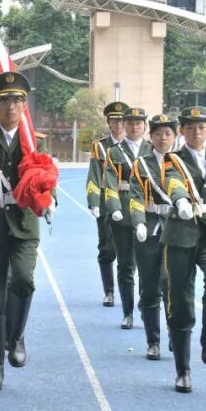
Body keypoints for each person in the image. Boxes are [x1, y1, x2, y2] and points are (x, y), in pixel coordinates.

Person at [0, 72, 53, 392]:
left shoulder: (35, 140)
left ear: (24, 105)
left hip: (23, 222)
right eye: (4, 101)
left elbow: (43, 173)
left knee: (23, 279)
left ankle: (16, 336)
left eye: (17, 100)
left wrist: (51, 200)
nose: (11, 107)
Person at [161, 107, 206, 394]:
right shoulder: (172, 160)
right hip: (180, 234)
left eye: (201, 127)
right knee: (180, 301)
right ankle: (183, 370)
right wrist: (180, 201)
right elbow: (174, 183)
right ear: (182, 131)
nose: (196, 133)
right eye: (190, 128)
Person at [129, 113, 179, 360]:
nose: (163, 138)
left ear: (175, 136)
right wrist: (139, 222)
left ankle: (173, 333)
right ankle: (153, 341)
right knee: (149, 287)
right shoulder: (141, 164)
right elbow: (136, 195)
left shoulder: (181, 164)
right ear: (151, 137)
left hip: (175, 229)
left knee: (171, 285)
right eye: (158, 134)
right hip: (148, 229)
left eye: (167, 133)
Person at [103, 107, 151, 330]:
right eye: (130, 123)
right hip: (122, 212)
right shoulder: (114, 152)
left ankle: (145, 304)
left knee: (147, 265)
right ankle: (128, 312)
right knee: (125, 265)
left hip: (148, 213)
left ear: (145, 126)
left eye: (138, 123)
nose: (134, 127)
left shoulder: (152, 149)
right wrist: (114, 208)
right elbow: (109, 182)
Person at [87, 101, 128, 307]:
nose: (118, 124)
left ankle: (128, 291)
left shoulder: (134, 146)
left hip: (129, 201)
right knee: (107, 248)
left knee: (130, 250)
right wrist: (93, 202)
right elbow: (94, 175)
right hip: (105, 201)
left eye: (122, 120)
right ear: (109, 122)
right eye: (114, 120)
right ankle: (109, 291)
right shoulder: (100, 146)